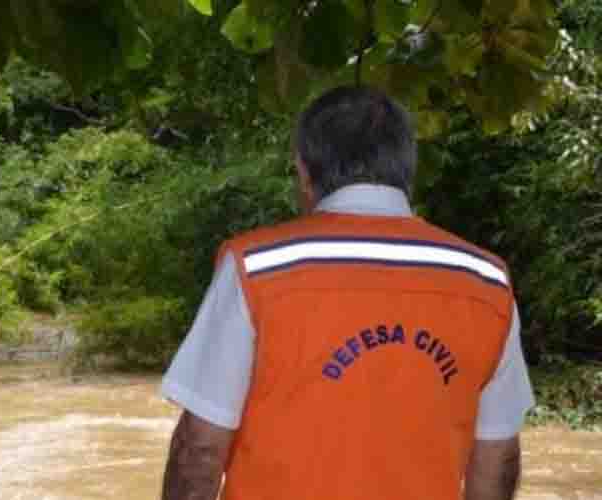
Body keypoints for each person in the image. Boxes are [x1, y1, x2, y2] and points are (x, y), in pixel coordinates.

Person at [159, 86, 535, 500]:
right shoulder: (486, 281)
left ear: (304, 171)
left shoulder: (256, 267)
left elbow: (200, 447)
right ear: (407, 169)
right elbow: (496, 456)